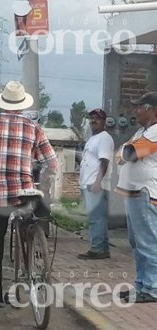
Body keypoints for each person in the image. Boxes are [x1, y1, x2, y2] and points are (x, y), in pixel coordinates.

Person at [0, 81, 59, 323]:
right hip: (24, 193)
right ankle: (32, 253)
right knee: (30, 220)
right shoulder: (33, 127)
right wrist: (42, 179)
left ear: (2, 102)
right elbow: (52, 164)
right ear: (22, 105)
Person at [116, 92, 157, 303]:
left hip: (145, 192)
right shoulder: (143, 131)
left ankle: (152, 288)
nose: (136, 111)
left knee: (148, 242)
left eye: (140, 107)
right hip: (134, 193)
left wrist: (125, 152)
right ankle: (142, 285)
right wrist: (124, 151)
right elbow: (120, 154)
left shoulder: (155, 132)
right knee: (137, 242)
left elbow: (128, 154)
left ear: (151, 110)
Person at [77, 108, 114, 259]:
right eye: (91, 118)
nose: (94, 120)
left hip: (95, 184)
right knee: (98, 217)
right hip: (89, 183)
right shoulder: (93, 138)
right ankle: (103, 248)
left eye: (97, 118)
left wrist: (98, 182)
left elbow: (104, 161)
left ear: (104, 121)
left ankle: (97, 249)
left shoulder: (104, 138)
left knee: (96, 218)